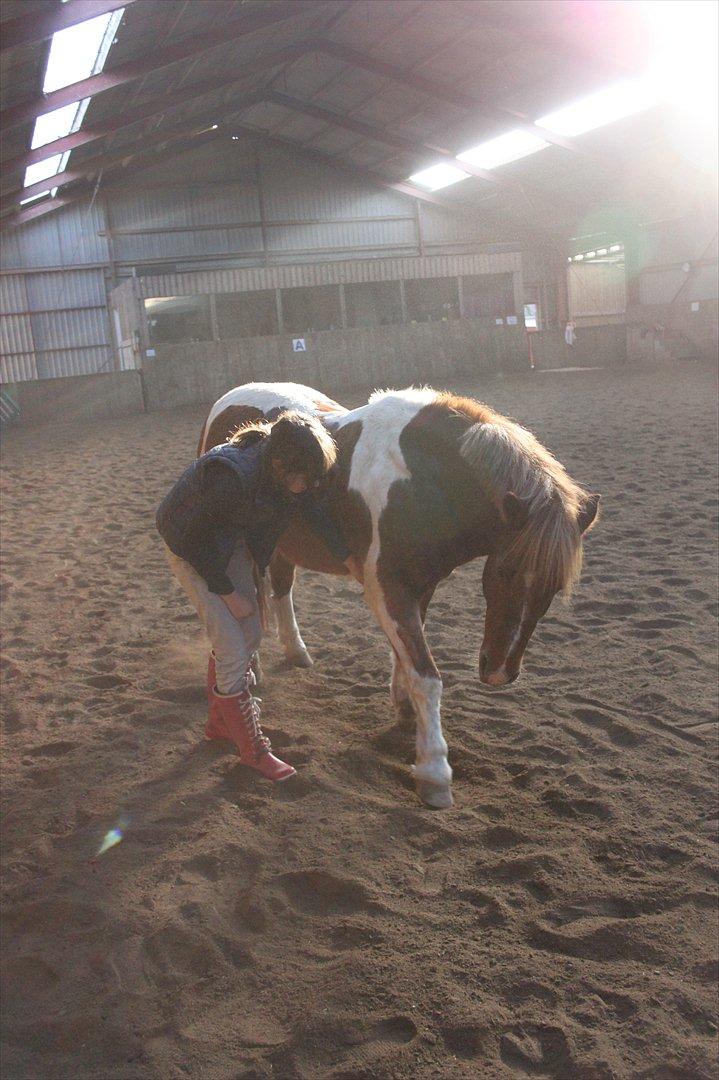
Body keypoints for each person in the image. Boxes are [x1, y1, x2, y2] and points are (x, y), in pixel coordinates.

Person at [156, 410, 360, 782]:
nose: (308, 485)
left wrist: (347, 558)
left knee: (250, 633)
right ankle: (253, 751)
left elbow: (312, 511)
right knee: (233, 646)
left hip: (227, 536)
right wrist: (228, 592)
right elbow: (193, 541)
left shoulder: (287, 471)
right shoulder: (232, 478)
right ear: (280, 464)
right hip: (190, 544)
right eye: (304, 478)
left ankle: (220, 724)